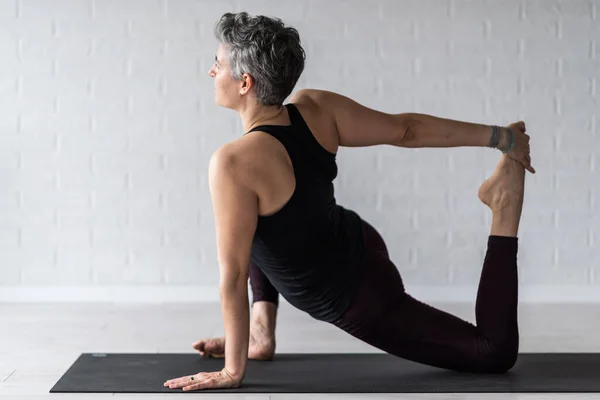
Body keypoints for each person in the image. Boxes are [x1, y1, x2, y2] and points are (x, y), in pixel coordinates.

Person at [164, 12, 535, 392]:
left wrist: (232, 371)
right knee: (252, 221)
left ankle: (503, 206)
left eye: (218, 64)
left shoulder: (233, 163)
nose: (211, 72)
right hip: (356, 239)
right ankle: (261, 333)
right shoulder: (316, 108)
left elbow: (232, 276)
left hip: (361, 297)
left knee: (493, 351)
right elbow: (406, 130)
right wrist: (500, 137)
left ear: (245, 82)